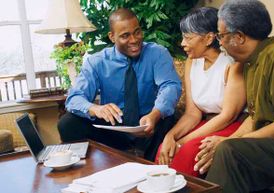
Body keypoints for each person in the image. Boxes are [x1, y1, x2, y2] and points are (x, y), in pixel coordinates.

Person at [57, 8, 182, 161]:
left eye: (137, 32)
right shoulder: (96, 62)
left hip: (150, 123)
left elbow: (170, 86)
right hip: (115, 127)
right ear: (112, 37)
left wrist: (155, 114)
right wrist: (96, 109)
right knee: (67, 123)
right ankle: (87, 169)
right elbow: (74, 98)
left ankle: (148, 165)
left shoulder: (157, 53)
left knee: (167, 116)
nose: (134, 40)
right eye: (125, 36)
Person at [193, 1, 274, 192]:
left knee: (229, 152)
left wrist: (230, 142)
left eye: (221, 36)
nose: (219, 43)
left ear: (238, 37)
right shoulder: (251, 62)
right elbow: (255, 117)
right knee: (218, 148)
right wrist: (230, 138)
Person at [155, 7, 246, 176]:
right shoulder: (192, 62)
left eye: (188, 38)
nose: (182, 43)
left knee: (186, 151)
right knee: (164, 148)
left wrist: (183, 141)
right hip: (204, 123)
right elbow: (192, 113)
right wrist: (171, 136)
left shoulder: (232, 65)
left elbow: (228, 116)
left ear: (209, 38)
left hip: (231, 125)